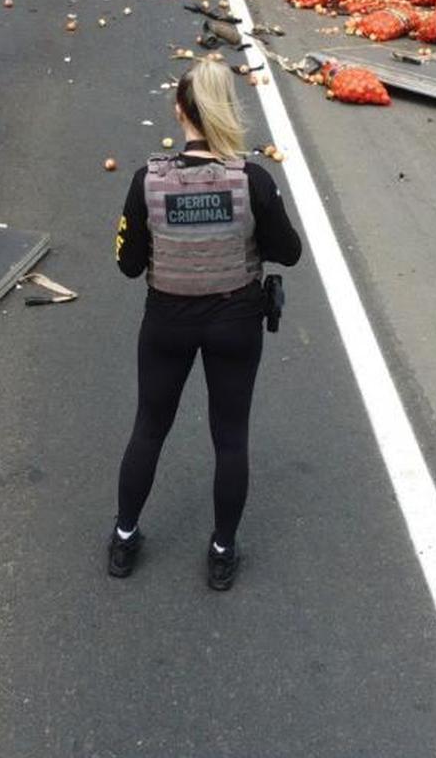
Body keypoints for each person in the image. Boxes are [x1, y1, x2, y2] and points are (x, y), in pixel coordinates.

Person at [109, 58, 303, 591]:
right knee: (230, 437)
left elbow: (127, 264)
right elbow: (289, 252)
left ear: (179, 112)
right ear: (228, 112)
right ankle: (221, 551)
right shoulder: (253, 180)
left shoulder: (147, 180)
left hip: (166, 321)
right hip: (235, 322)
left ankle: (124, 539)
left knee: (149, 427)